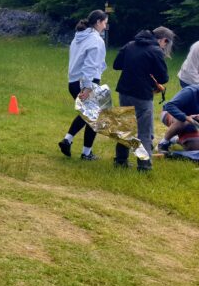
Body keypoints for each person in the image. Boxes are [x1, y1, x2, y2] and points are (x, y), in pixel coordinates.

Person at [113, 26, 174, 171]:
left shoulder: (130, 45)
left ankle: (121, 160)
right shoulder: (155, 51)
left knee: (125, 127)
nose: (164, 47)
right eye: (166, 44)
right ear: (164, 40)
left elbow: (116, 65)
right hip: (142, 95)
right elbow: (163, 78)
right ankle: (144, 165)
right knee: (144, 132)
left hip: (124, 91)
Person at [58, 10, 108, 161]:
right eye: (104, 23)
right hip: (87, 82)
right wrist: (87, 87)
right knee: (94, 118)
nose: (105, 26)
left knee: (88, 115)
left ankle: (68, 141)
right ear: (98, 22)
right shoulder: (96, 40)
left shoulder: (78, 37)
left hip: (73, 81)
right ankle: (85, 153)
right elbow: (90, 66)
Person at [156, 84, 199, 154]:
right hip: (170, 114)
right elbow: (169, 106)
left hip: (191, 121)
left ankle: (174, 139)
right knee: (183, 120)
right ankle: (163, 143)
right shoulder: (190, 91)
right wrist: (186, 117)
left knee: (195, 148)